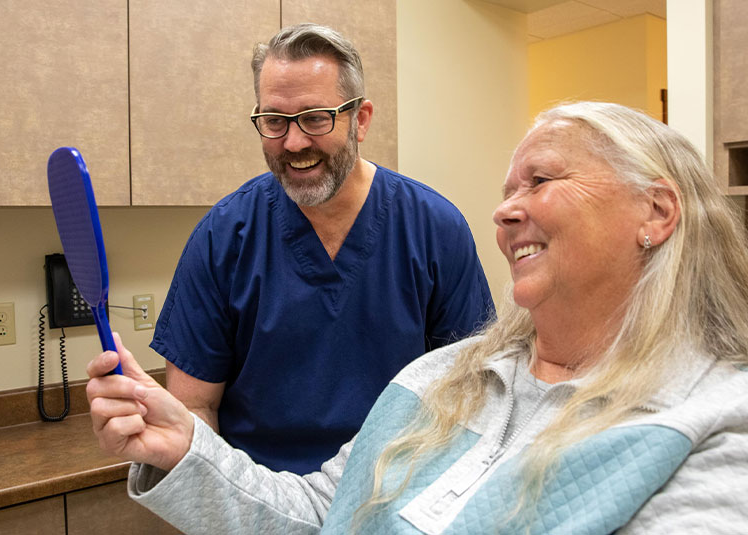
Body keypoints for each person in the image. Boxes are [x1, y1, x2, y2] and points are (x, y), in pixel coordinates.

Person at [87, 101, 748, 534]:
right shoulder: (439, 377)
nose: (505, 211)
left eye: (539, 181)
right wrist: (189, 451)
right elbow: (323, 512)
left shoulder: (714, 419)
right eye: (506, 190)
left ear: (656, 214)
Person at [148, 22, 495, 475]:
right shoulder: (222, 236)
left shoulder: (434, 228)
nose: (293, 143)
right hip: (263, 495)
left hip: (392, 492)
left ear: (361, 119)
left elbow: (472, 396)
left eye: (315, 118)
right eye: (274, 120)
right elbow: (194, 409)